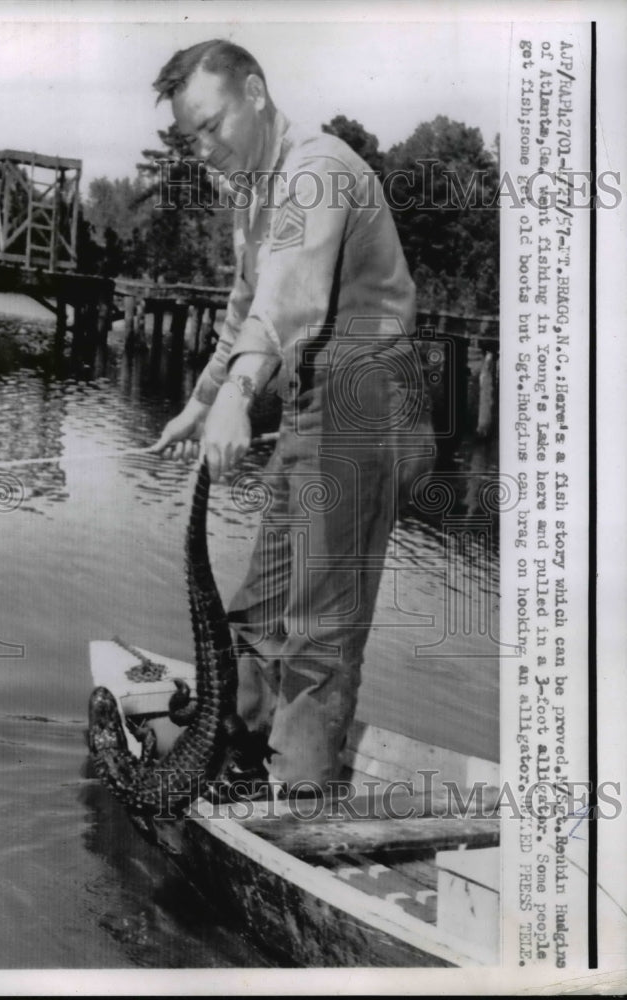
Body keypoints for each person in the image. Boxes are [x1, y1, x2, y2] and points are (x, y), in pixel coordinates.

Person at [148, 39, 433, 794]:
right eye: (191, 138)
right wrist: (201, 403)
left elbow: (291, 297)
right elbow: (246, 305)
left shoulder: (315, 170)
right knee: (264, 594)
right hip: (314, 398)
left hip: (368, 398)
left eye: (211, 126)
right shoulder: (254, 191)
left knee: (320, 623)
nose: (204, 149)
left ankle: (300, 795)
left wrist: (240, 397)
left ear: (255, 92)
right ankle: (231, 733)